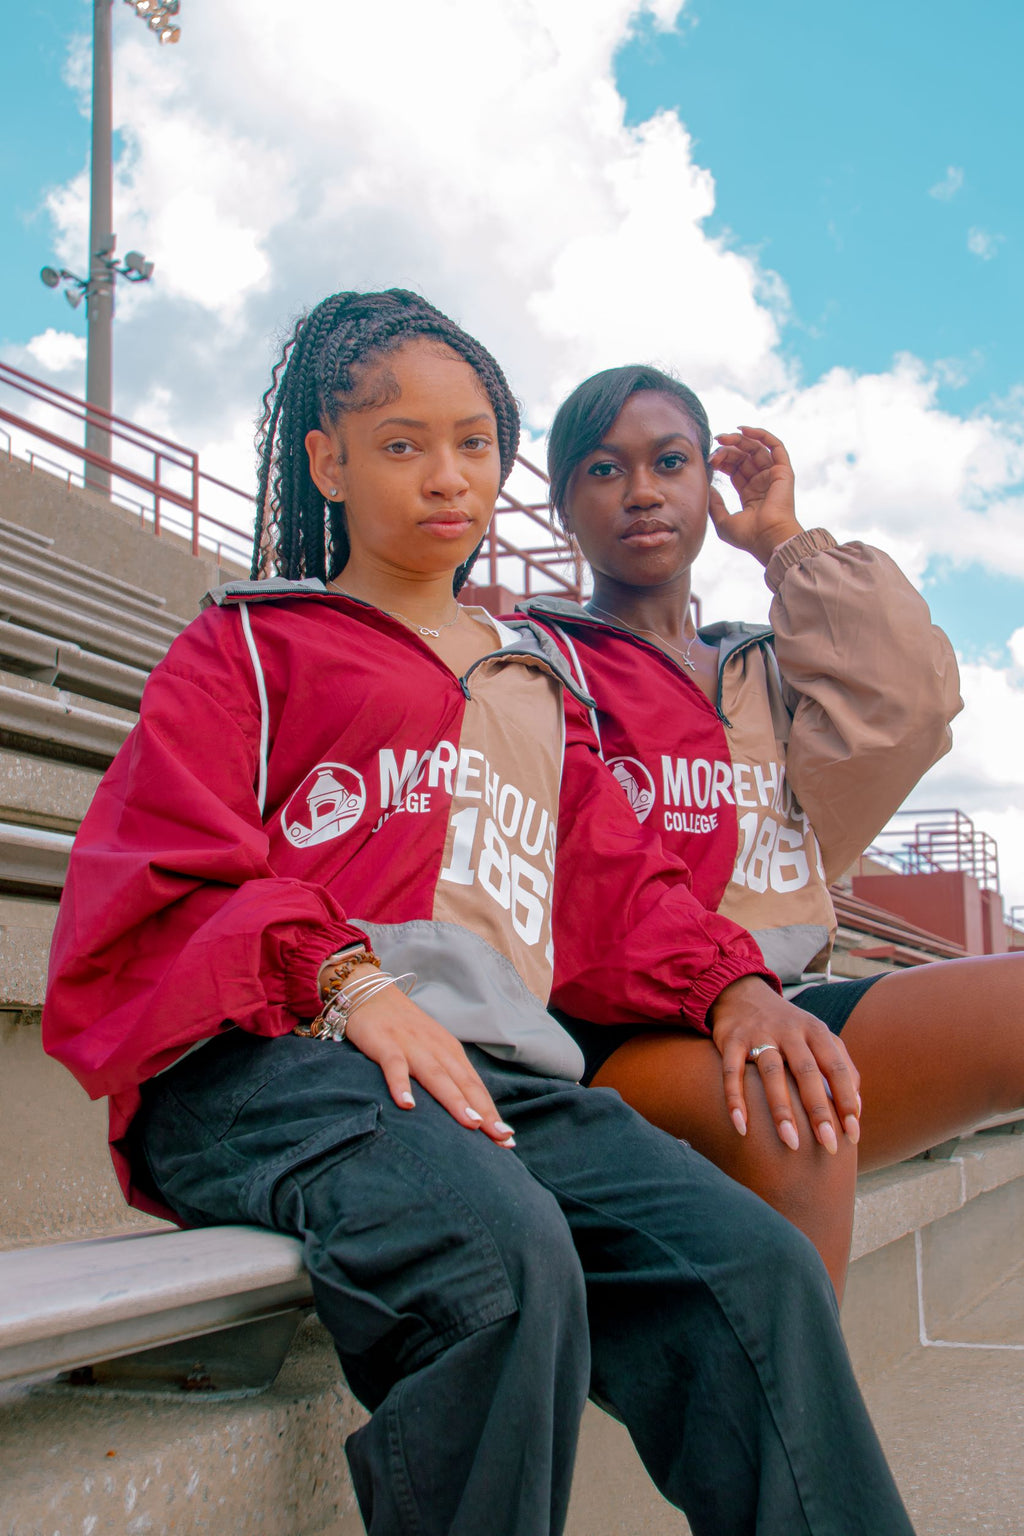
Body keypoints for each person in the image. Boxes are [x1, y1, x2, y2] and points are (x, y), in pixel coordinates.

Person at [42, 293, 916, 1536]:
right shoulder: (251, 648)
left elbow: (617, 889)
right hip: (272, 1069)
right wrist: (349, 983)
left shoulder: (527, 683)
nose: (446, 477)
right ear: (328, 462)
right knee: (502, 1260)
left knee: (754, 1270)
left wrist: (735, 991)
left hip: (487, 1088)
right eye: (401, 444)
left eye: (474, 444)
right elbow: (164, 867)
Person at [519, 362, 1023, 1296]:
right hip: (626, 1033)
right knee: (792, 1106)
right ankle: (802, 1431)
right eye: (602, 469)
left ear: (707, 487)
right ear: (562, 506)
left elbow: (913, 702)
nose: (640, 492)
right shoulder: (535, 661)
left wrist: (784, 542)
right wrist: (725, 992)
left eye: (670, 461)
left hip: (789, 1002)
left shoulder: (771, 669)